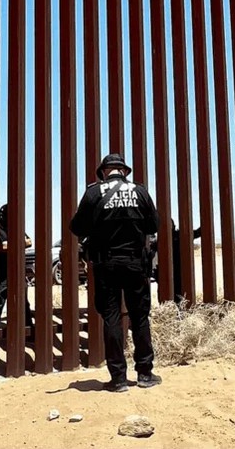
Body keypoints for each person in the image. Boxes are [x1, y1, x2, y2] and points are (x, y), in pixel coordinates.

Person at [70, 153, 161, 392]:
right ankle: (145, 374)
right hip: (134, 263)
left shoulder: (93, 193)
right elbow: (153, 225)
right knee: (139, 317)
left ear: (103, 171)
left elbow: (76, 227)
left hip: (106, 264)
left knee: (111, 319)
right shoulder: (139, 192)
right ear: (124, 171)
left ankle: (119, 379)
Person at [0, 204, 33, 328]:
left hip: (17, 269)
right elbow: (1, 247)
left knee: (23, 300)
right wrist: (18, 242)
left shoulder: (16, 226)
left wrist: (11, 243)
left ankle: (27, 328)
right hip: (2, 270)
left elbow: (29, 242)